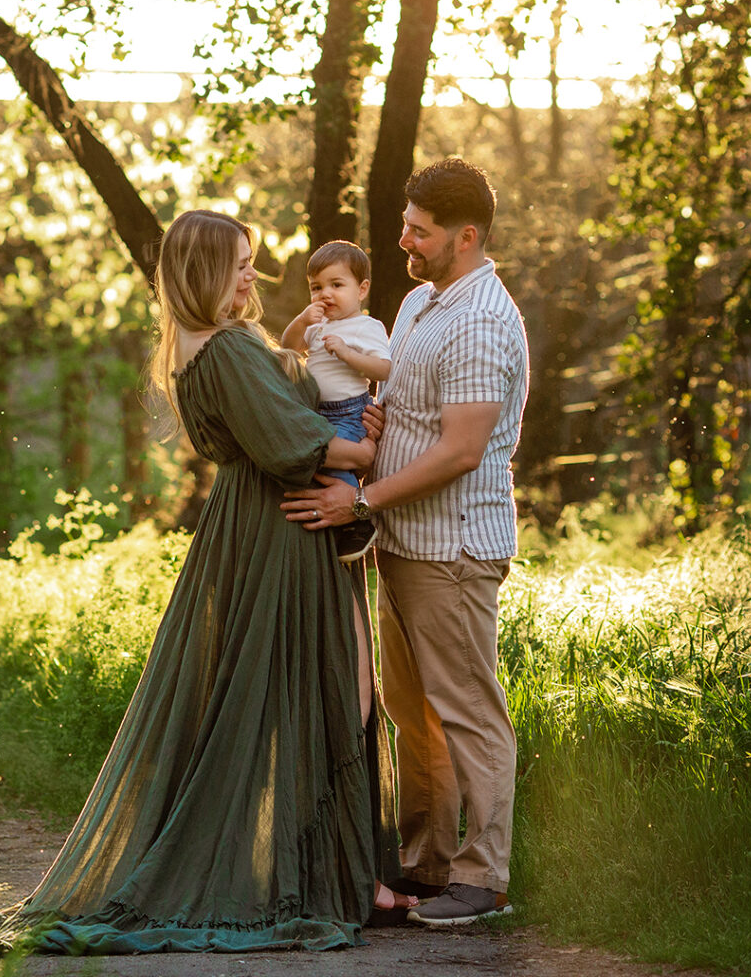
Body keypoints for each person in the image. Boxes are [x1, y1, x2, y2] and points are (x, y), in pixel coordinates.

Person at [0, 209, 410, 957]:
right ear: (205, 271)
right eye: (239, 263)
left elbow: (273, 417)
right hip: (284, 525)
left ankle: (345, 875)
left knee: (301, 691)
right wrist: (364, 452)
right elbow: (289, 442)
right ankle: (337, 881)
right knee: (337, 687)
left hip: (249, 525)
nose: (252, 275)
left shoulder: (192, 346)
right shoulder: (230, 348)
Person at [279, 158, 529, 928]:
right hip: (404, 541)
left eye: (419, 231)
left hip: (453, 548)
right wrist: (378, 420)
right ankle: (427, 863)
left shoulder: (482, 321)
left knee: (467, 709)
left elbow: (460, 450)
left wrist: (361, 497)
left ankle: (483, 878)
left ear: (466, 236)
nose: (403, 241)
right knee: (412, 712)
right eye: (405, 225)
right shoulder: (423, 302)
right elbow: (407, 403)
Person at [280, 241, 392, 564]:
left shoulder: (367, 327)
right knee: (315, 462)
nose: (325, 294)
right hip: (317, 412)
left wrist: (346, 353)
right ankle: (328, 525)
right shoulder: (317, 327)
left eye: (336, 285)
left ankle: (358, 524)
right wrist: (302, 320)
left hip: (349, 411)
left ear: (362, 289)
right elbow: (289, 348)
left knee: (334, 461)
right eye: (316, 287)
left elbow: (383, 369)